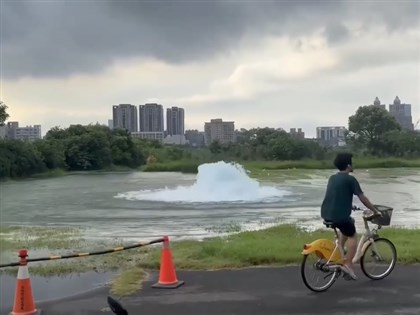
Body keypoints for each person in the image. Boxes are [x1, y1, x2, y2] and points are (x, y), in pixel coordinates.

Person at [320, 152, 380, 280]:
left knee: (348, 223)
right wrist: (375, 210)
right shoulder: (350, 179)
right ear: (348, 165)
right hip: (339, 216)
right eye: (352, 162)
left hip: (326, 214)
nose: (353, 164)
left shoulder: (332, 178)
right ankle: (348, 264)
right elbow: (362, 198)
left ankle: (340, 254)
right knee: (352, 234)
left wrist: (349, 206)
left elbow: (336, 196)